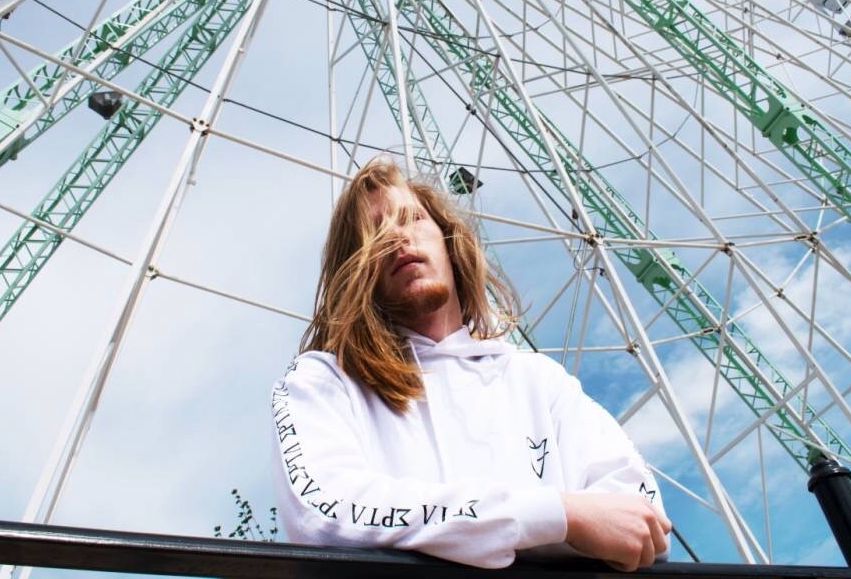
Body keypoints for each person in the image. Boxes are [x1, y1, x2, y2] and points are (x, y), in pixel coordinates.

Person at [270, 157, 671, 570]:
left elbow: (640, 522)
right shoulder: (319, 382)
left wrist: (446, 534)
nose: (397, 236)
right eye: (374, 233)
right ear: (354, 268)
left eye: (411, 218)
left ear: (449, 240)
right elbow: (325, 514)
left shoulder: (539, 381)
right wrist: (562, 517)